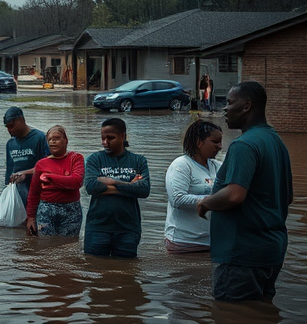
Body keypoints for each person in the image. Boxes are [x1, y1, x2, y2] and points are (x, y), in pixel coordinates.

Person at [197, 81, 293, 302]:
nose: (225, 109)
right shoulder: (276, 141)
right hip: (271, 251)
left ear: (247, 106)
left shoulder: (244, 146)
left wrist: (206, 202)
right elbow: (287, 198)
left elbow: (234, 195)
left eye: (230, 103)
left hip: (242, 254)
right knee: (257, 320)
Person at [83, 117, 150, 258]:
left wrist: (112, 182)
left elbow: (144, 190)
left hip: (128, 229)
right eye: (102, 138)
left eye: (110, 138)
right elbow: (91, 186)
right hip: (97, 228)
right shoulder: (94, 159)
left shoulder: (138, 161)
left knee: (126, 274)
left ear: (123, 136)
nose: (105, 143)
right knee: (94, 271)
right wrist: (129, 185)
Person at [164, 119, 222, 253]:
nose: (220, 146)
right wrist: (212, 200)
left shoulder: (218, 166)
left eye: (220, 142)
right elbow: (177, 199)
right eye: (215, 142)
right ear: (199, 142)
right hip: (184, 241)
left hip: (213, 240)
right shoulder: (181, 165)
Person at [25, 125, 84, 237]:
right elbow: (34, 192)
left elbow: (77, 181)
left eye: (56, 138)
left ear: (65, 140)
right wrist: (31, 217)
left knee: (68, 246)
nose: (53, 142)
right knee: (46, 246)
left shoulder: (76, 158)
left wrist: (50, 177)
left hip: (71, 210)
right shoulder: (41, 164)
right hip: (46, 210)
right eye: (50, 139)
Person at [3, 107, 50, 208]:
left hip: (38, 191)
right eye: (7, 128)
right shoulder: (10, 144)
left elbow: (47, 166)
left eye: (11, 126)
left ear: (21, 120)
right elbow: (9, 170)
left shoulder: (39, 138)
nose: (10, 131)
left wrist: (25, 174)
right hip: (17, 192)